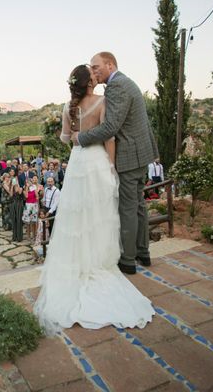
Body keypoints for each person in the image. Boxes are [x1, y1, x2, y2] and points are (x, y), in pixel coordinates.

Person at [34, 64, 154, 335]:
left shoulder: (68, 107)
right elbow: (109, 137)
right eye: (93, 74)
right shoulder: (103, 101)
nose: (97, 76)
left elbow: (66, 138)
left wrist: (73, 135)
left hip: (77, 162)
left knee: (77, 215)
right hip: (98, 161)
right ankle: (100, 261)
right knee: (100, 214)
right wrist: (111, 167)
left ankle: (78, 262)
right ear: (90, 83)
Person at [72, 52, 159, 275]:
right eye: (91, 68)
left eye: (96, 66)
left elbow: (110, 128)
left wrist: (80, 138)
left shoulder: (117, 87)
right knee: (139, 204)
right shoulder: (125, 82)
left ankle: (128, 260)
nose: (93, 71)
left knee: (128, 207)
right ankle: (143, 252)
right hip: (141, 154)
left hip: (130, 156)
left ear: (110, 65)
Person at [22, 175, 40, 240]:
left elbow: (37, 196)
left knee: (34, 222)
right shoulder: (24, 189)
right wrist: (26, 187)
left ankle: (34, 235)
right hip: (28, 206)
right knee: (28, 222)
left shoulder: (34, 187)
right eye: (27, 182)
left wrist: (37, 198)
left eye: (29, 182)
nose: (29, 183)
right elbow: (26, 196)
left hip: (34, 205)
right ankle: (28, 235)